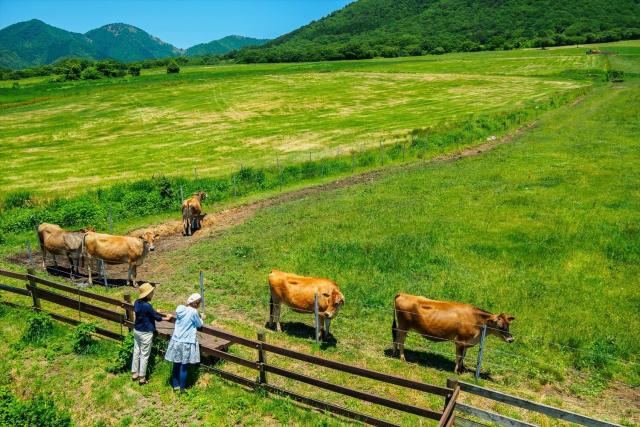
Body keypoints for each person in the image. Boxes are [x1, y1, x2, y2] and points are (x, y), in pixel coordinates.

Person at [131, 282, 172, 385]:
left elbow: (147, 312)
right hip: (145, 333)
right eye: (152, 292)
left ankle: (134, 373)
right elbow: (157, 318)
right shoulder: (147, 306)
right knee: (144, 355)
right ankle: (142, 378)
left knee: (136, 351)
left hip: (137, 330)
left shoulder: (137, 302)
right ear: (147, 294)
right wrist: (166, 318)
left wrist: (154, 310)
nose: (153, 294)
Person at [164, 293, 205, 392]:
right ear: (197, 303)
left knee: (176, 364)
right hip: (187, 341)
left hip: (176, 340)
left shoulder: (180, 309)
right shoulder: (194, 312)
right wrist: (202, 318)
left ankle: (175, 386)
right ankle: (182, 389)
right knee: (184, 366)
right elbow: (199, 324)